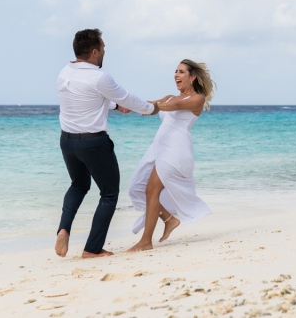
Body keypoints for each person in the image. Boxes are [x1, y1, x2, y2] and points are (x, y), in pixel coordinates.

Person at [55, 29, 158, 258]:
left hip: (68, 142)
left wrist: (113, 106)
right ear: (94, 52)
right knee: (109, 193)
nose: (104, 52)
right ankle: (92, 249)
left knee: (78, 185)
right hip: (94, 144)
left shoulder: (65, 72)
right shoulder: (100, 76)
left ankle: (64, 228)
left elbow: (87, 97)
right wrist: (151, 109)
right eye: (102, 48)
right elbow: (126, 97)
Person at [127, 59, 215, 252]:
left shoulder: (197, 99)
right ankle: (169, 219)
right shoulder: (169, 97)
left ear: (192, 77)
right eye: (175, 71)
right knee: (137, 187)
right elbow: (152, 105)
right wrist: (130, 105)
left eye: (181, 72)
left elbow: (170, 105)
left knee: (151, 189)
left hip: (176, 149)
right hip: (159, 148)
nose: (176, 75)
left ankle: (145, 241)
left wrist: (154, 105)